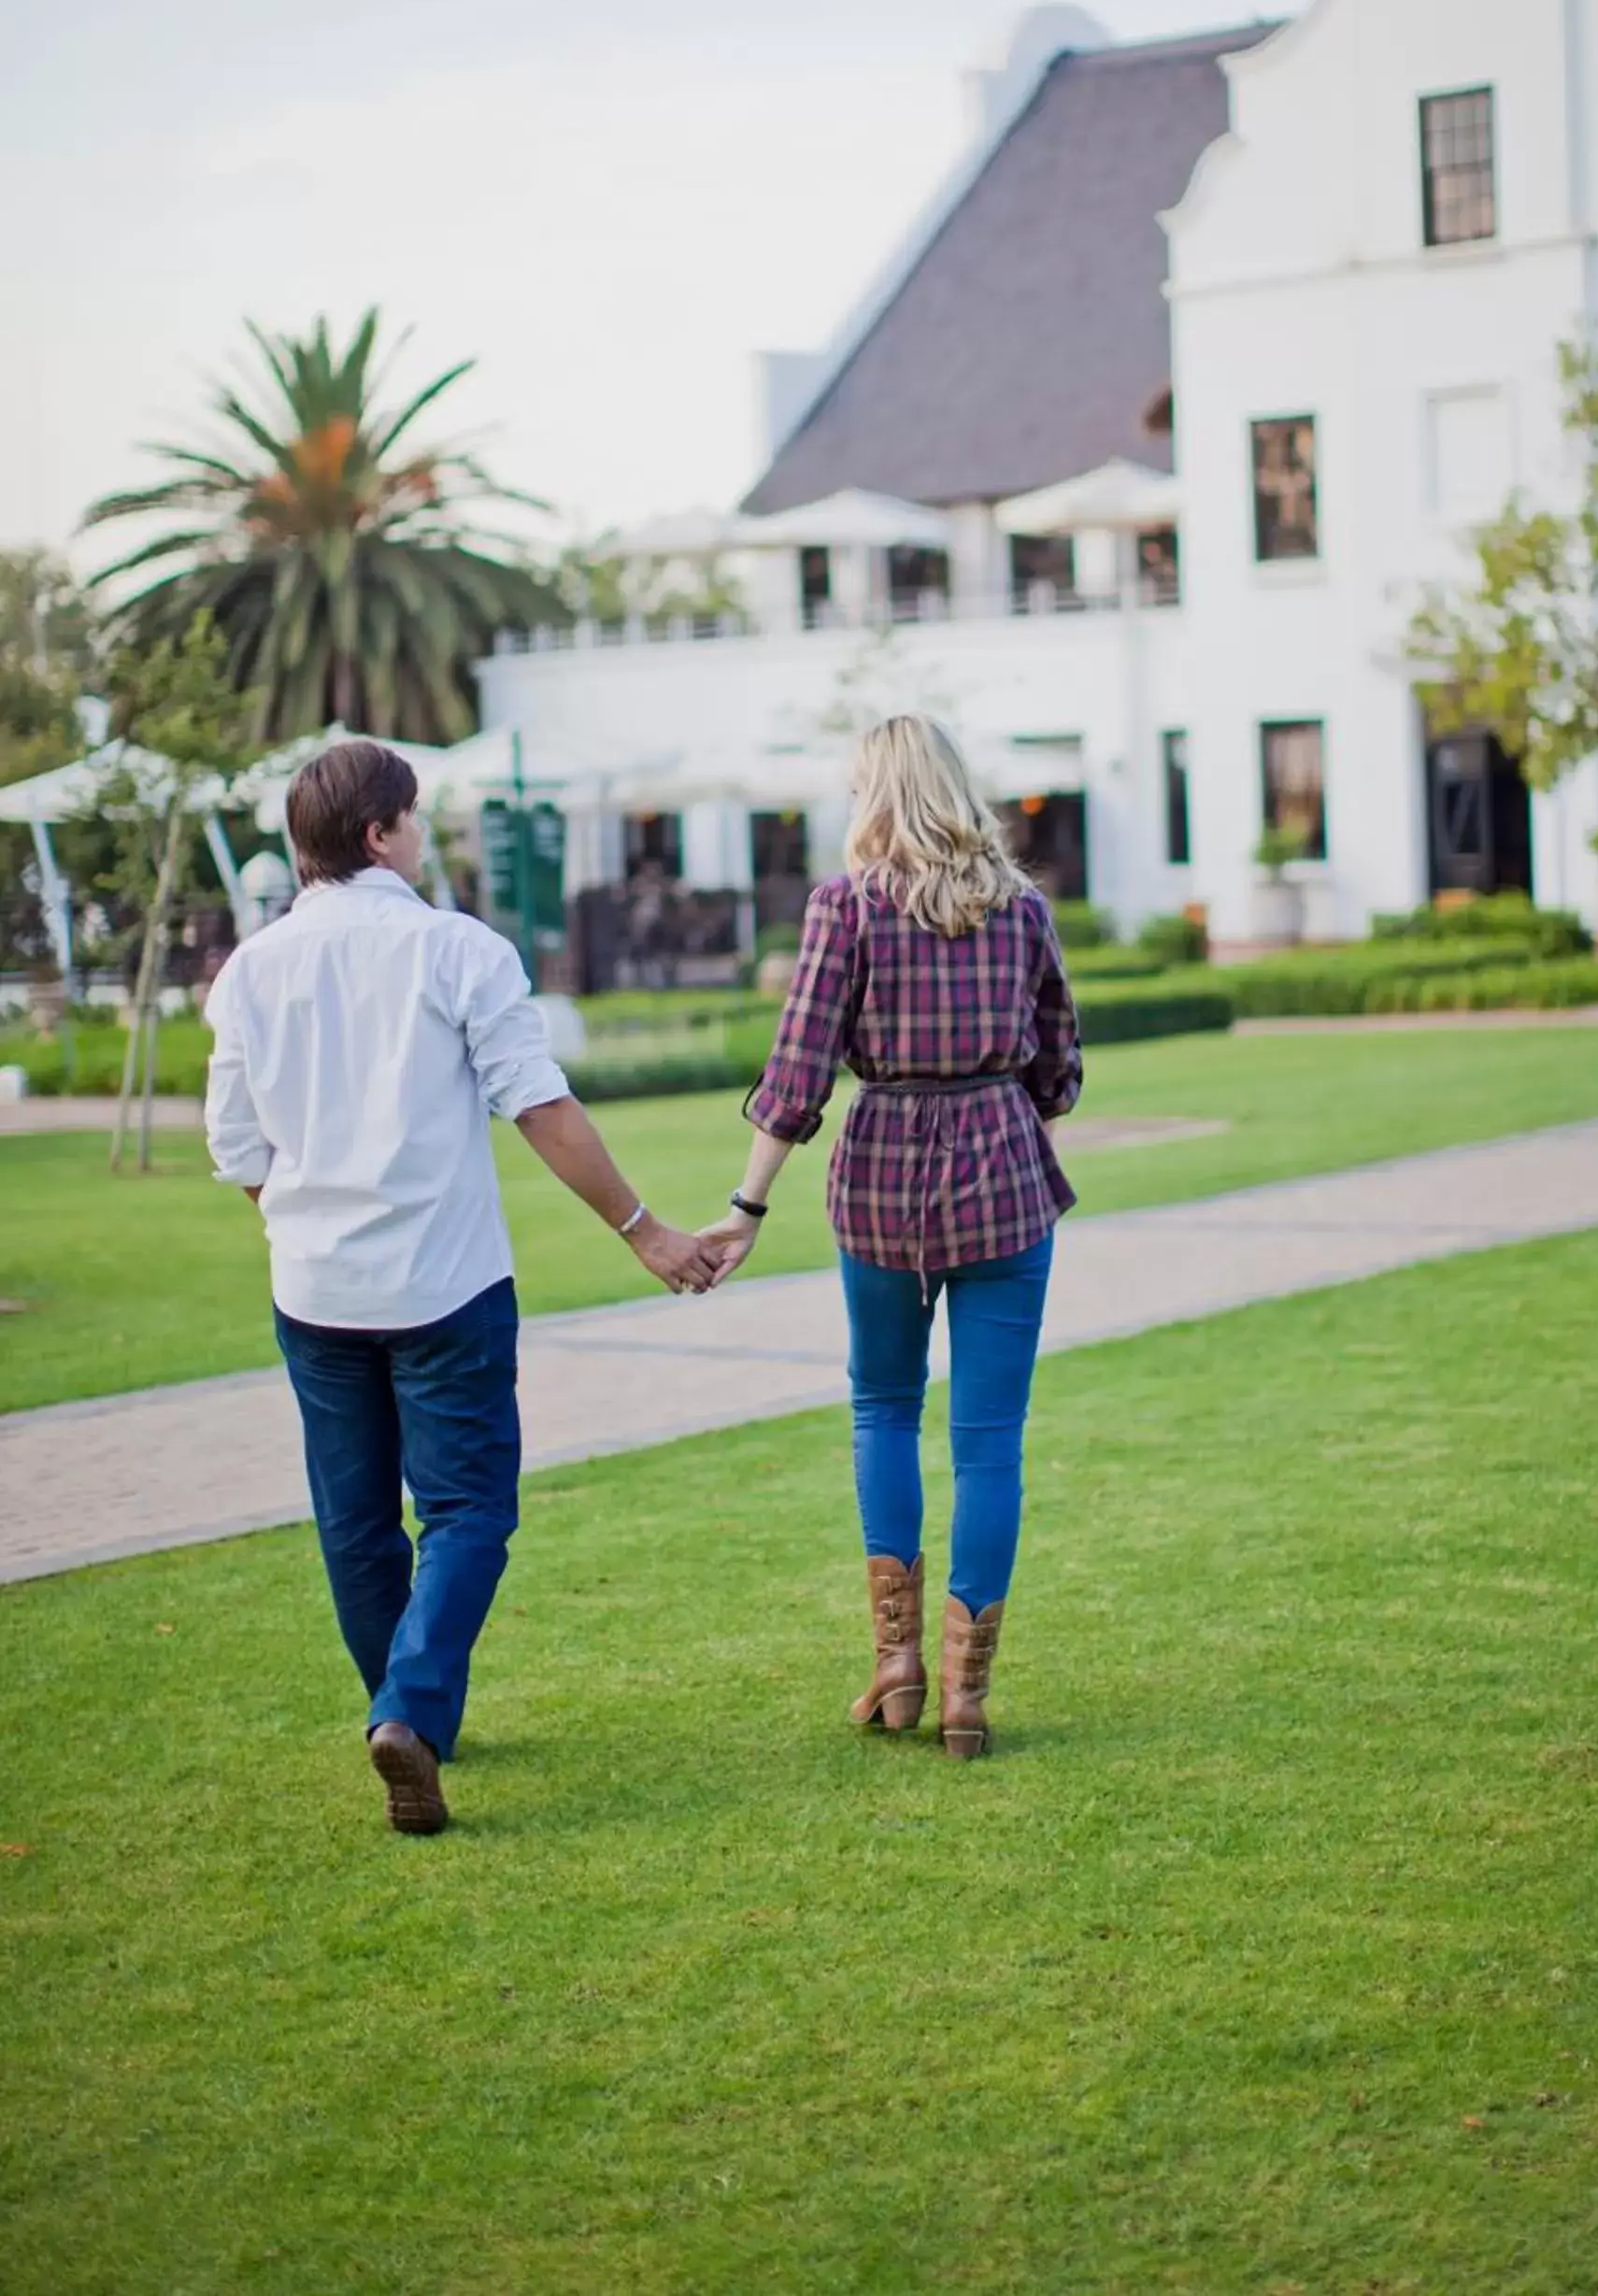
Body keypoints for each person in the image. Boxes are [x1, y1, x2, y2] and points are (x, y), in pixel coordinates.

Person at [204, 738, 722, 1836]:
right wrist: (643, 1231)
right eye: (419, 818)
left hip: (316, 1291)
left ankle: (406, 1710)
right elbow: (538, 1106)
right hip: (445, 1284)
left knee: (354, 1522)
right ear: (381, 831)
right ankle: (411, 1709)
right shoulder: (458, 951)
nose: (426, 836)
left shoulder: (249, 970)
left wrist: (313, 1229)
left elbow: (236, 1148)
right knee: (469, 1509)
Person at [706, 716, 1082, 1758]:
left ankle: (898, 1667)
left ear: (871, 794)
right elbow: (1059, 1062)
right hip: (1005, 1173)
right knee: (990, 1438)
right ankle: (968, 1692)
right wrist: (1010, 1128)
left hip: (878, 1177)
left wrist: (745, 1207)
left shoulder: (846, 909)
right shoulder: (1020, 909)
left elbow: (798, 1072)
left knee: (882, 1408)